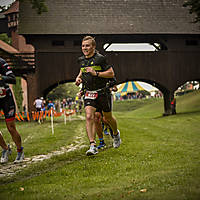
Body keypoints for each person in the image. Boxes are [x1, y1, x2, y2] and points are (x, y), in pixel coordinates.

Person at [75, 36, 121, 156]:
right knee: (90, 116)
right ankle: (92, 145)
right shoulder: (81, 60)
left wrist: (96, 73)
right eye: (83, 46)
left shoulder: (101, 59)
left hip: (102, 92)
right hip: (89, 93)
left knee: (108, 118)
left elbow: (111, 73)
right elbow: (82, 71)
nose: (85, 48)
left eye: (87, 46)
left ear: (93, 47)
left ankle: (116, 134)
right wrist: (79, 78)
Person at [0, 57, 24, 164]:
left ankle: (20, 151)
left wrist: (1, 77)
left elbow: (12, 79)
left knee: (11, 127)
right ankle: (5, 149)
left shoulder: (1, 62)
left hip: (6, 98)